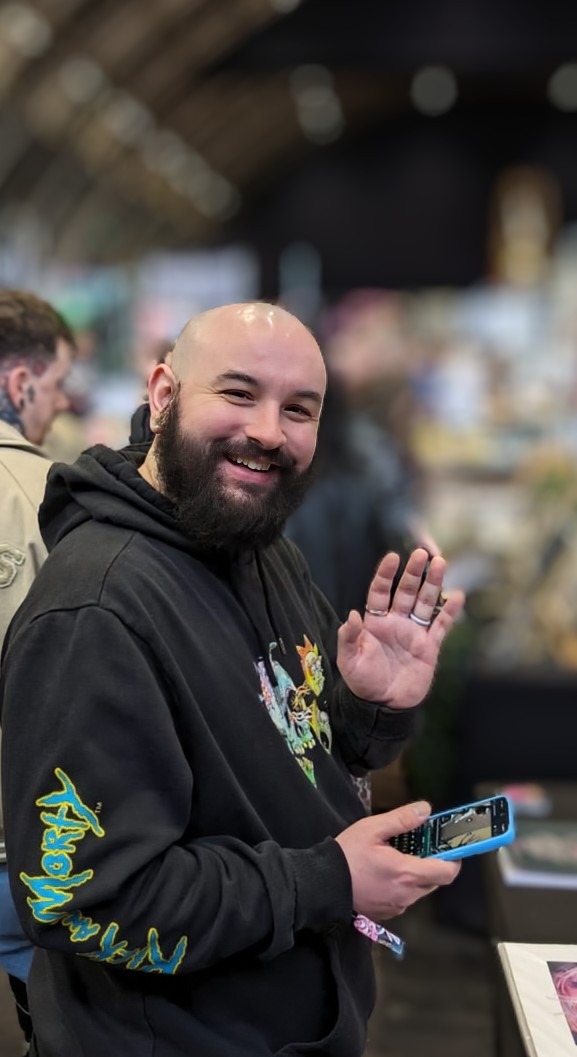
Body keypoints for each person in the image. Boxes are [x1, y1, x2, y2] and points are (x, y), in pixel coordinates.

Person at [1, 301, 464, 1057]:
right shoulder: (97, 610)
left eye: (298, 409)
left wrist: (372, 704)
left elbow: (304, 750)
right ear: (163, 394)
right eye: (239, 393)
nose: (269, 431)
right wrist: (329, 880)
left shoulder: (260, 548)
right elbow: (85, 900)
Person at [0, 288, 74, 1051]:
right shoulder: (45, 497)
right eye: (56, 385)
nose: (60, 403)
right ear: (20, 384)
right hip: (17, 844)